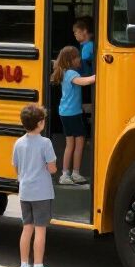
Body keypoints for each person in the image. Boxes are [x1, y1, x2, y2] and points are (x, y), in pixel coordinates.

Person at [12, 103, 57, 267]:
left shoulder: (19, 143)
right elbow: (52, 168)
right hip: (42, 193)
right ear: (40, 123)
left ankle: (24, 266)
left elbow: (16, 167)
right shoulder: (45, 143)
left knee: (27, 228)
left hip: (25, 191)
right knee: (40, 230)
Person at [50, 46, 96, 185]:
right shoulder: (71, 73)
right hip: (72, 114)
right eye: (77, 57)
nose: (80, 59)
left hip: (66, 112)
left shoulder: (65, 72)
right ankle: (73, 173)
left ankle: (66, 174)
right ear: (71, 60)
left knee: (70, 144)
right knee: (79, 143)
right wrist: (99, 74)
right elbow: (84, 82)